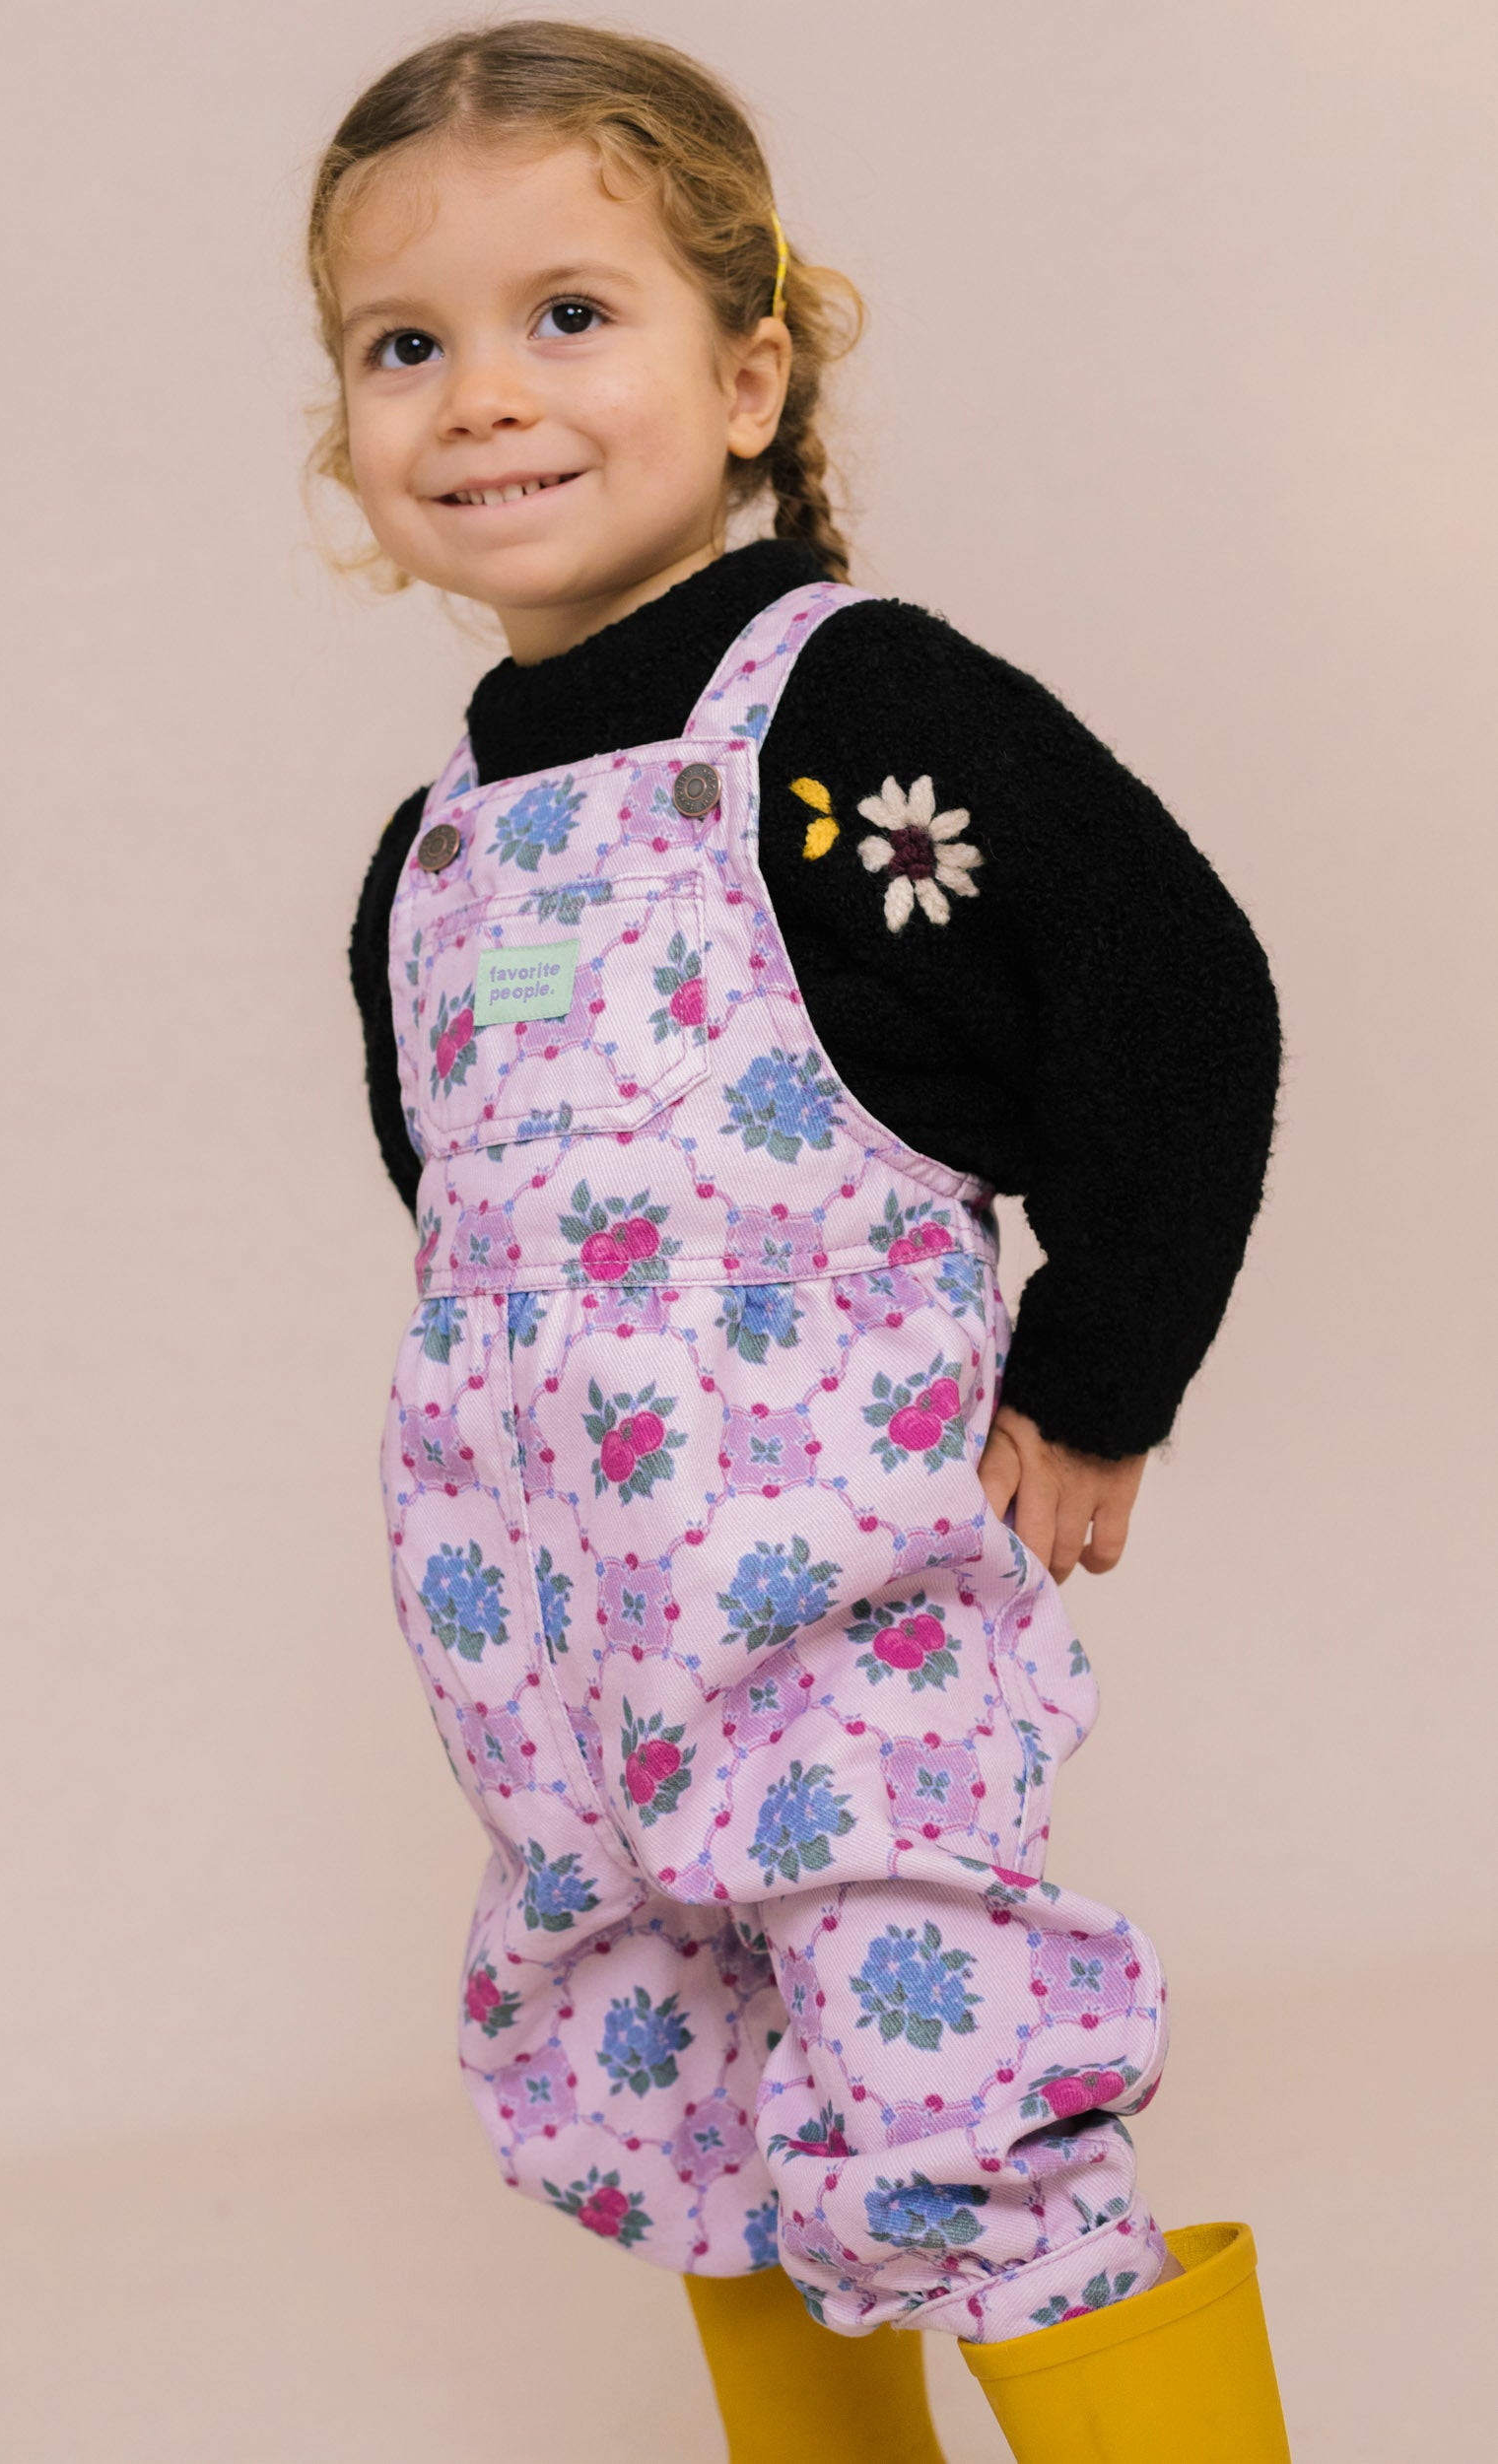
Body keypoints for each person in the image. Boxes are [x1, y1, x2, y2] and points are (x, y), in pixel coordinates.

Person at [311, 22, 1289, 2460]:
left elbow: (1174, 994)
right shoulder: (435, 851)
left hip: (842, 1645)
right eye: (403, 344)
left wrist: (1100, 1367)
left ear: (746, 376)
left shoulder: (859, 724)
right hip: (573, 1690)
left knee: (960, 2109)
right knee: (711, 2133)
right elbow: (479, 1224)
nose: (480, 395)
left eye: (570, 315)